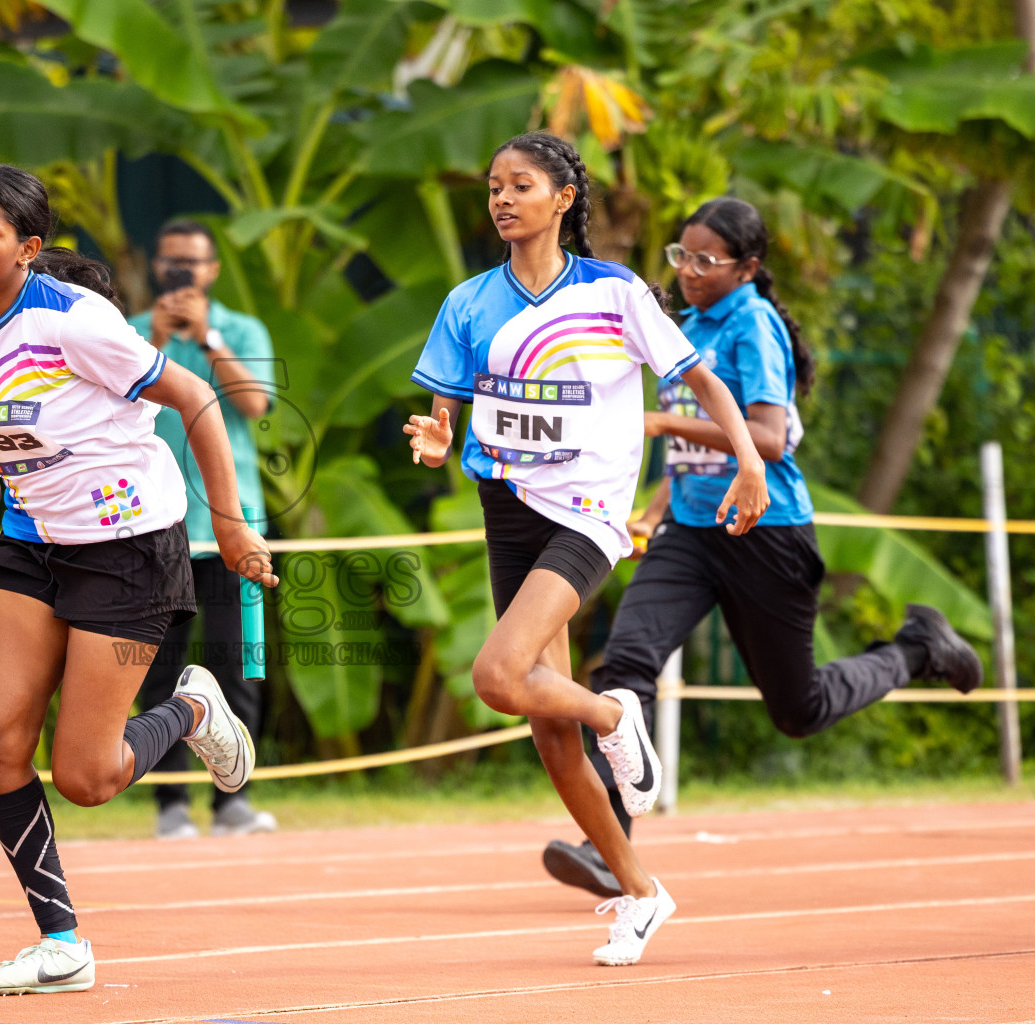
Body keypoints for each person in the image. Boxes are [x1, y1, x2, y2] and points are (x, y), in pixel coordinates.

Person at [0, 165, 276, 996]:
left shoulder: (75, 321)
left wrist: (232, 527)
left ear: (27, 250)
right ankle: (60, 943)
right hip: (29, 546)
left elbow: (198, 398)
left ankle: (194, 708)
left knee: (88, 778)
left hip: (127, 547)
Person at [541, 197, 983, 900]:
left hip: (766, 535)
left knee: (797, 709)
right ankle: (609, 846)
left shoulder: (754, 325)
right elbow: (691, 442)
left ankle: (915, 649)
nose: (687, 271)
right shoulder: (685, 323)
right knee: (626, 667)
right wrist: (653, 509)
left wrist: (655, 420)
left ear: (747, 267)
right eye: (680, 256)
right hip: (691, 532)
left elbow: (767, 438)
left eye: (705, 261)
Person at [405, 132, 770, 967]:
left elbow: (701, 377)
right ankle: (642, 892)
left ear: (563, 198)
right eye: (493, 186)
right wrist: (435, 437)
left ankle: (615, 712)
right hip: (508, 508)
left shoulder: (614, 292)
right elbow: (444, 410)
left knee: (499, 677)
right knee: (546, 732)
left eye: (521, 185)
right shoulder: (469, 301)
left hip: (589, 514)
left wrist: (747, 459)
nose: (502, 199)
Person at [129, 219, 277, 839]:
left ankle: (232, 801)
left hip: (231, 527)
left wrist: (208, 338)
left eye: (191, 264)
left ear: (213, 270)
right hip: (150, 525)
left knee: (236, 661)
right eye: (170, 264)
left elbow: (257, 404)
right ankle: (169, 805)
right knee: (154, 668)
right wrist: (155, 346)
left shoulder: (241, 330)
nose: (180, 275)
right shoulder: (130, 332)